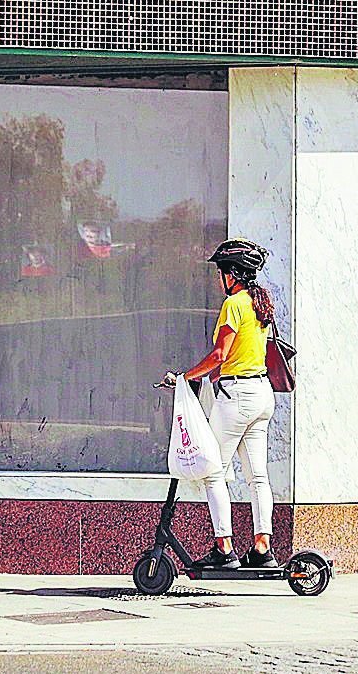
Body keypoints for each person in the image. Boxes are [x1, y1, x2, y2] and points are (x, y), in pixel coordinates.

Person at [159, 238, 278, 569]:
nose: (220, 278)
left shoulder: (235, 304)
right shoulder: (262, 303)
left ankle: (224, 549)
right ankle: (261, 547)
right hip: (262, 394)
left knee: (214, 471)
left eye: (222, 272)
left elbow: (220, 354)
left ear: (234, 273)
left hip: (237, 397)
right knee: (258, 477)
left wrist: (186, 376)